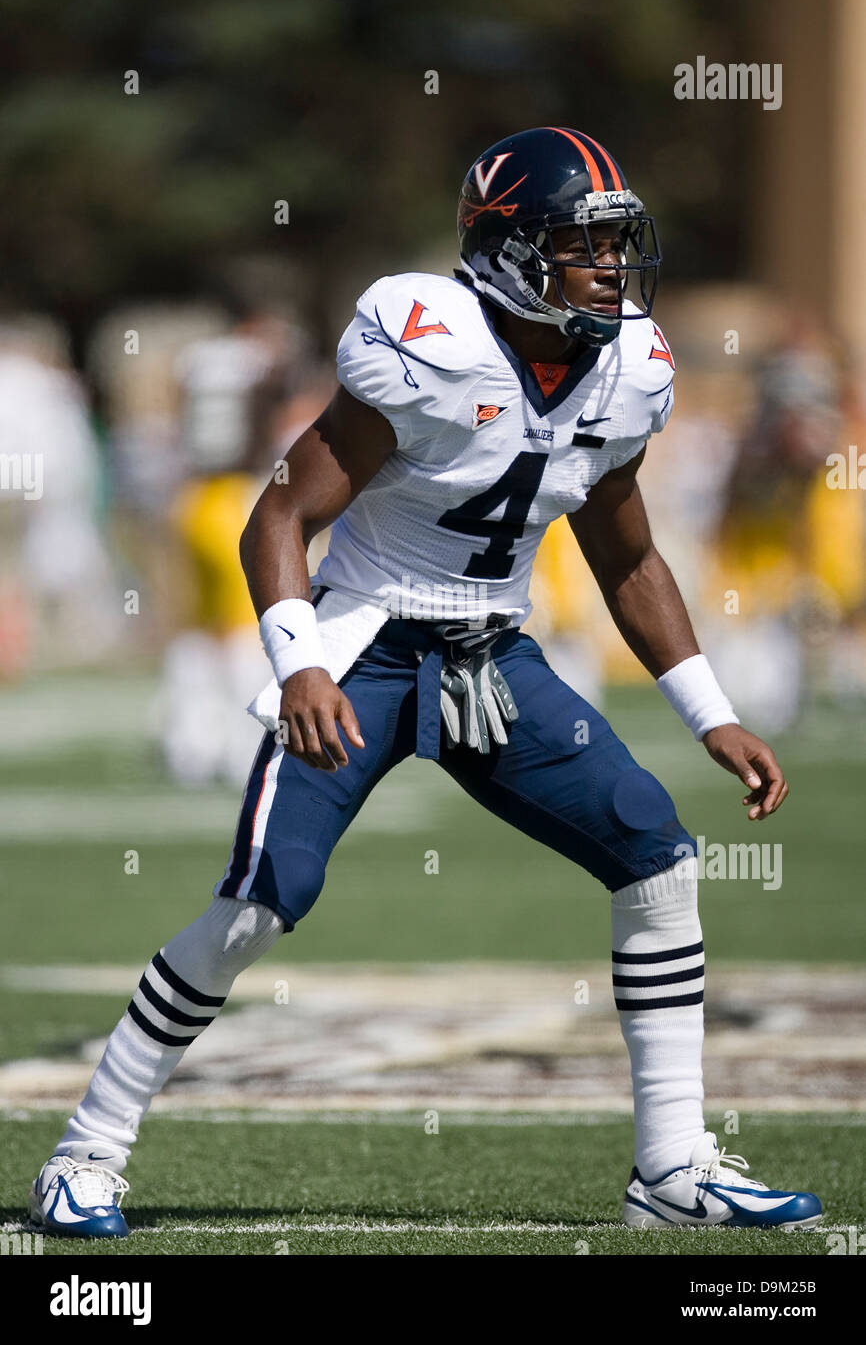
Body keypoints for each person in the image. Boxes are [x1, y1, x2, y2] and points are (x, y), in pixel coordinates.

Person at [29, 127, 821, 1237]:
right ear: (504, 251)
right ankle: (87, 1152)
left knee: (654, 852)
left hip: (493, 654)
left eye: (613, 243)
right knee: (264, 898)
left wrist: (711, 712)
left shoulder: (628, 368)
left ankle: (673, 1164)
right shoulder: (429, 344)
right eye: (579, 244)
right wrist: (299, 660)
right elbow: (280, 513)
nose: (608, 267)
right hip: (368, 650)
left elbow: (628, 555)